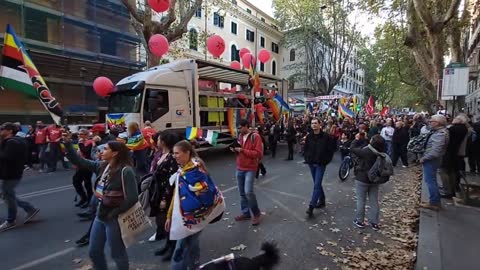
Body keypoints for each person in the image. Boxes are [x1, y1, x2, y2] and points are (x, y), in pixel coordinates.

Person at [64, 134, 138, 270]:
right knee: (94, 251)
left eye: (105, 149)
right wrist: (68, 144)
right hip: (100, 215)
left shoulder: (126, 171)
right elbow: (80, 161)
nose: (101, 152)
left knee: (117, 253)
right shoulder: (102, 166)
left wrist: (115, 213)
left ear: (115, 153)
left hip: (114, 218)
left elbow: (133, 197)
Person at [166, 140, 223, 270]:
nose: (174, 156)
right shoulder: (183, 170)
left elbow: (205, 192)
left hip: (193, 216)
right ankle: (195, 265)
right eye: (173, 153)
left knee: (181, 248)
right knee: (191, 243)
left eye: (177, 153)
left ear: (187, 153)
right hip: (187, 216)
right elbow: (177, 195)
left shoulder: (195, 171)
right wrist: (169, 216)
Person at [0, 122, 40, 232]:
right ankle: (30, 209)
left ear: (10, 131)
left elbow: (6, 157)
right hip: (10, 173)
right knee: (7, 195)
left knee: (8, 195)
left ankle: (11, 220)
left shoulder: (12, 142)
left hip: (10, 174)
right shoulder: (14, 141)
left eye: (2, 128)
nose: (0, 130)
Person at [149, 131, 179, 259]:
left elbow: (171, 180)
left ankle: (173, 248)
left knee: (169, 221)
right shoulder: (160, 154)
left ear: (164, 142)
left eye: (159, 139)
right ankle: (167, 245)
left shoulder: (172, 157)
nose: (157, 141)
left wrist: (165, 198)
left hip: (167, 194)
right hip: (158, 191)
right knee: (162, 221)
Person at [350, 135, 386, 231]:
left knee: (361, 200)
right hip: (374, 179)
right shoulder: (381, 153)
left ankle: (359, 220)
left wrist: (356, 139)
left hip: (362, 178)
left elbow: (353, 149)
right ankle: (375, 222)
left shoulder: (367, 151)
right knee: (374, 200)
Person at [233, 119, 263, 226]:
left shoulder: (256, 137)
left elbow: (258, 154)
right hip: (240, 167)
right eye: (238, 128)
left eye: (240, 127)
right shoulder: (240, 137)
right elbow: (240, 151)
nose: (239, 130)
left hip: (250, 168)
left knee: (248, 192)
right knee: (242, 193)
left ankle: (256, 213)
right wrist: (235, 150)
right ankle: (246, 213)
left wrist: (242, 151)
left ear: (246, 126)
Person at [303, 118, 336, 217]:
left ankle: (311, 206)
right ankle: (322, 200)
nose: (313, 125)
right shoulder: (309, 137)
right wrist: (307, 158)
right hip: (311, 163)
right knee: (317, 183)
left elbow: (331, 150)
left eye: (315, 123)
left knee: (317, 185)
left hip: (321, 164)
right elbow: (306, 149)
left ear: (320, 125)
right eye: (312, 123)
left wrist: (325, 161)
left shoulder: (327, 137)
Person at [420, 115, 449, 210]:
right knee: (431, 180)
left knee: (430, 181)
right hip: (432, 159)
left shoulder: (440, 134)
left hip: (431, 160)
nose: (430, 122)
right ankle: (433, 200)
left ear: (437, 123)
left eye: (431, 121)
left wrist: (424, 158)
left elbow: (435, 151)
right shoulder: (438, 131)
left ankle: (434, 202)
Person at [73, 129, 94, 208]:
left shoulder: (90, 142)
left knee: (87, 183)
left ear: (86, 135)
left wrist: (81, 143)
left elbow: (86, 151)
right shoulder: (80, 143)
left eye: (81, 134)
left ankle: (89, 200)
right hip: (80, 165)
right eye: (79, 134)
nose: (79, 136)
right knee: (76, 181)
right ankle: (83, 197)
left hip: (87, 165)